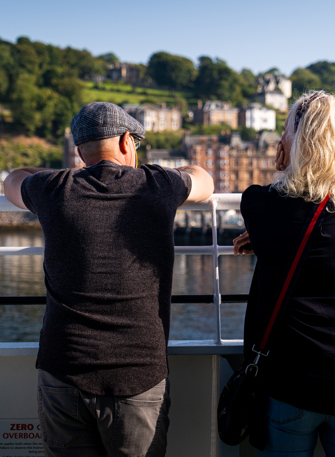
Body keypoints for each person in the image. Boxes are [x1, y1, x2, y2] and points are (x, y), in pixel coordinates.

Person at [4, 102, 214, 457]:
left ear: (78, 151)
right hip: (137, 374)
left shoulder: (53, 188)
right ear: (126, 142)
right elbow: (204, 180)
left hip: (63, 367)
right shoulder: (158, 184)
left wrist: (62, 172)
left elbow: (13, 179)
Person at [233, 91, 335, 456]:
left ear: (295, 142)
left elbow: (284, 209)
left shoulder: (258, 205)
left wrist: (260, 240)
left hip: (291, 382)